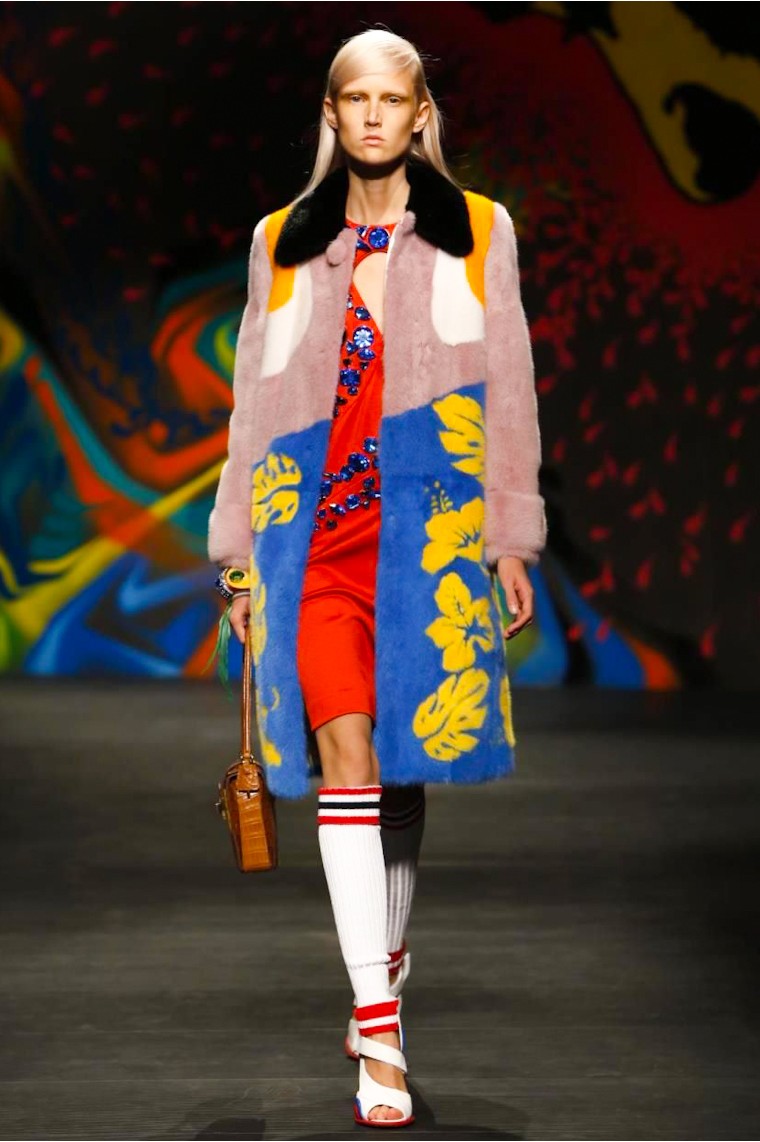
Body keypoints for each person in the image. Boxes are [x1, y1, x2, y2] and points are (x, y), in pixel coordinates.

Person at [207, 27, 547, 1128]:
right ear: (331, 112)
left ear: (418, 115)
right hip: (310, 543)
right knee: (346, 753)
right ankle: (380, 1026)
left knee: (399, 769)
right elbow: (251, 403)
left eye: (390, 99)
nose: (370, 115)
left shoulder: (479, 229)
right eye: (353, 97)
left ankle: (381, 966)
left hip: (428, 540)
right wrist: (237, 554)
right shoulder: (281, 239)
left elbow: (510, 388)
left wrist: (511, 534)